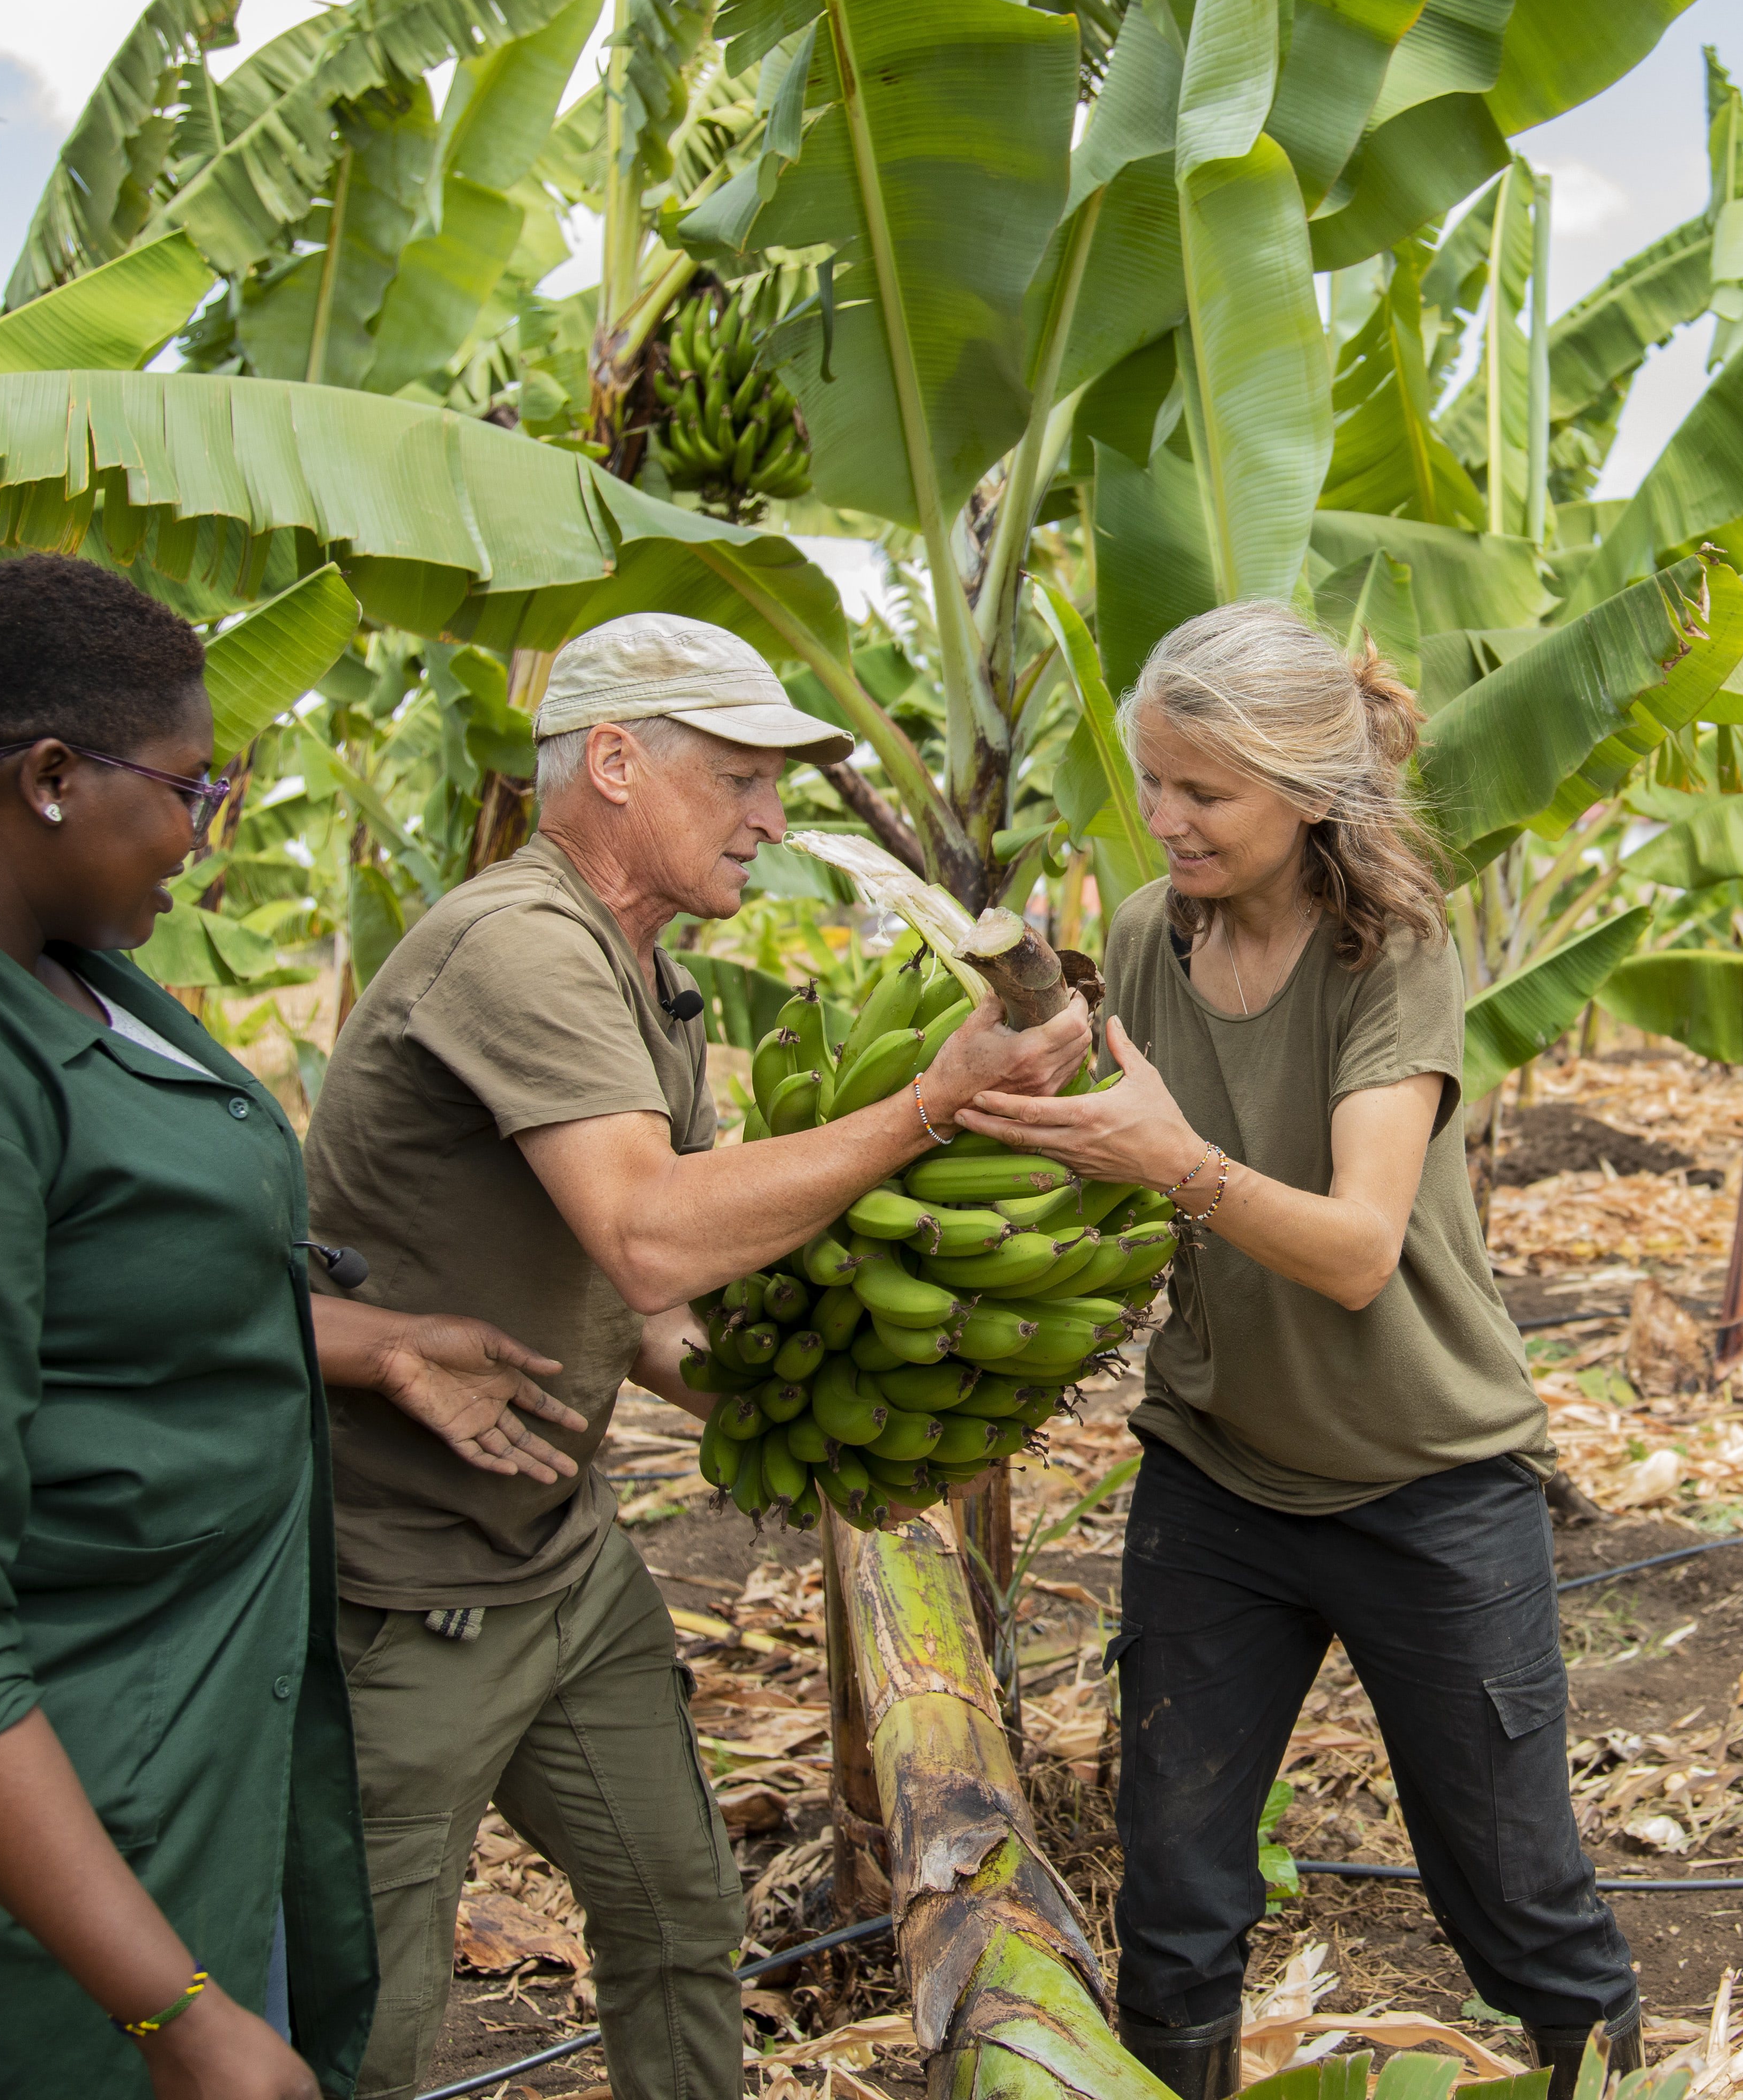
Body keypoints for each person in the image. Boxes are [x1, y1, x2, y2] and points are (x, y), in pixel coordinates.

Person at [0, 554, 602, 2099]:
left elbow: (85, 1302)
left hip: (167, 1771)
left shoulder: (64, 969)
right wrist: (177, 2017)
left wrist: (377, 1341)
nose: (204, 836)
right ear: (54, 778)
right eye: (191, 790)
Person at [303, 612, 1092, 2100]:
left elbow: (653, 1313)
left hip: (559, 1553)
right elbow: (653, 1234)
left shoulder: (643, 975)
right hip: (405, 1584)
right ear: (612, 762)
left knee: (680, 1920)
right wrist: (928, 1109)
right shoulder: (518, 946)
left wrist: (861, 1420)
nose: (772, 819)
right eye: (738, 778)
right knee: (378, 2009)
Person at [954, 602, 1640, 2100]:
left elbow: (1354, 1247)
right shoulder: (1145, 937)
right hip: (1217, 1476)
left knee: (1515, 1899)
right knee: (1180, 1895)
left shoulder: (1385, 953)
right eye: (1153, 782)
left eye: (1204, 792)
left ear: (1308, 791)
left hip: (1428, 1486)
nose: (1164, 820)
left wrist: (1173, 1160)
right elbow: (1116, 1189)